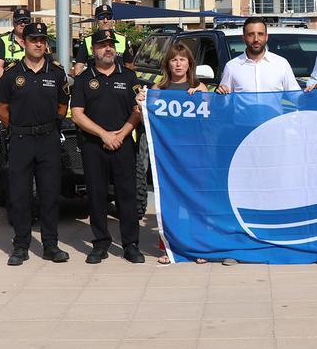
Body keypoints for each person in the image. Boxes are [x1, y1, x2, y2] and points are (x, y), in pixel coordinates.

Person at [0, 21, 70, 266]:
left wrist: (52, 124)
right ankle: (21, 246)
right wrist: (15, 128)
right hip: (21, 139)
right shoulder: (12, 74)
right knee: (20, 195)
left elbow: (62, 104)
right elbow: (1, 107)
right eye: (33, 40)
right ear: (23, 43)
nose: (38, 44)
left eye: (42, 40)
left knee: (49, 194)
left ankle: (50, 245)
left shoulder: (56, 72)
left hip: (48, 139)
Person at [71, 29, 145, 265]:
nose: (108, 48)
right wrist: (103, 134)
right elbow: (77, 114)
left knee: (127, 196)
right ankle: (101, 243)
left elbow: (138, 111)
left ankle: (131, 245)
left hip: (123, 144)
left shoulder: (129, 77)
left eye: (111, 44)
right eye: (102, 45)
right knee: (97, 196)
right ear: (93, 50)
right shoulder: (83, 79)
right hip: (94, 146)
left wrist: (121, 134)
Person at [141, 42, 204, 264]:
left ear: (189, 63)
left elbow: (213, 115)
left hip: (194, 154)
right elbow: (147, 116)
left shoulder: (199, 87)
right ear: (168, 63)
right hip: (168, 155)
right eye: (174, 59)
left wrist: (201, 97)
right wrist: (140, 103)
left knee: (195, 202)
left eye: (182, 59)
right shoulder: (158, 89)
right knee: (170, 203)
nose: (178, 64)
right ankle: (167, 248)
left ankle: (198, 248)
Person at [217, 17, 300, 93]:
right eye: (251, 34)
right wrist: (221, 95)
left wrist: (311, 93)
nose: (256, 39)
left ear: (266, 37)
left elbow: (296, 97)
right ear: (243, 38)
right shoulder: (231, 67)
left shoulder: (281, 64)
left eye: (260, 34)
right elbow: (225, 103)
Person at [73, 4, 133, 76]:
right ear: (96, 20)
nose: (105, 20)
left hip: (117, 83)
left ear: (112, 19)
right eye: (101, 17)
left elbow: (129, 66)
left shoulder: (123, 39)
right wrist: (79, 84)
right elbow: (79, 66)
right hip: (95, 84)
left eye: (109, 17)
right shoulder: (88, 40)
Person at [0, 7, 30, 80]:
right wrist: (14, 85)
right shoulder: (2, 41)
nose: (23, 24)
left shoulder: (37, 41)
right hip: (9, 87)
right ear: (13, 22)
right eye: (19, 21)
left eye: (26, 21)